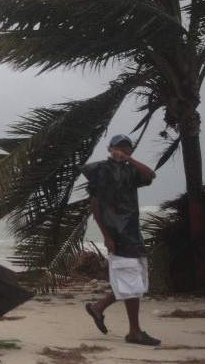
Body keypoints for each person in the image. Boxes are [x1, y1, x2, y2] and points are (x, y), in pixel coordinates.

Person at [83, 134, 161, 346]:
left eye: (126, 149)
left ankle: (99, 307)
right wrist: (106, 236)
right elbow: (96, 206)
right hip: (116, 233)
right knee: (131, 279)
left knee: (136, 280)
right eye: (117, 148)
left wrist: (130, 159)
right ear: (109, 149)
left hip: (132, 231)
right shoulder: (99, 170)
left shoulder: (131, 170)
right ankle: (134, 331)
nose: (121, 151)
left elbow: (150, 175)